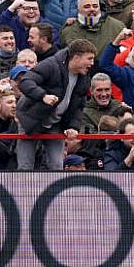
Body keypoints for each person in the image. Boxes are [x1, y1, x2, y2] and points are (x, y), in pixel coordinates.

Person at [15, 39, 96, 170]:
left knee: (57, 166)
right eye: (89, 59)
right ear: (76, 57)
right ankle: (22, 191)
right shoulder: (51, 65)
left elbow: (79, 106)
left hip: (55, 123)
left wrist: (73, 127)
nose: (92, 63)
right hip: (30, 119)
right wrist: (43, 96)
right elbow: (25, 82)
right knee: (25, 166)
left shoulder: (84, 76)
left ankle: (54, 190)